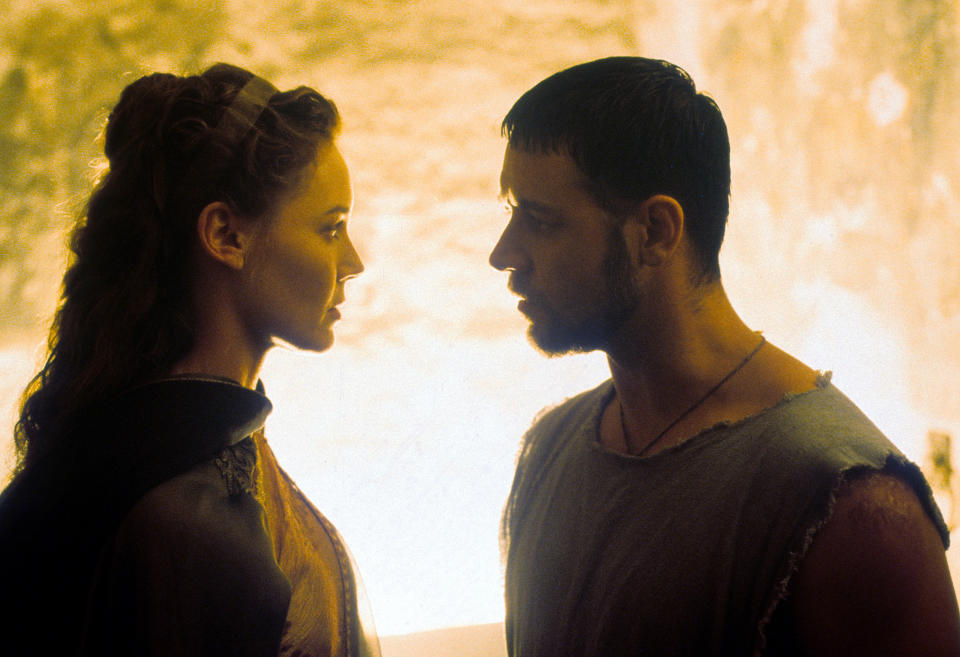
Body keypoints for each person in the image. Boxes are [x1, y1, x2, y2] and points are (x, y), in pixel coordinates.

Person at [489, 57, 960, 656]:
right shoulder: (552, 447)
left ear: (656, 231)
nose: (503, 253)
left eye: (540, 220)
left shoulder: (855, 510)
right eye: (511, 213)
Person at [0, 63, 380, 657]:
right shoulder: (187, 510)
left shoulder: (158, 444)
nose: (353, 261)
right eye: (331, 228)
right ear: (226, 235)